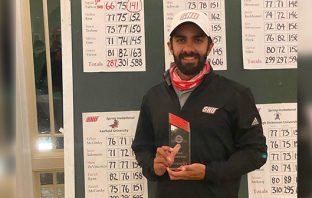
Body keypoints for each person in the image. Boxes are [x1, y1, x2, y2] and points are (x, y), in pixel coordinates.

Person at [131, 10, 267, 198]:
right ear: (170, 46)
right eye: (180, 40)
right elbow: (141, 148)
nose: (188, 48)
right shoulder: (153, 97)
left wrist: (209, 172)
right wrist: (153, 166)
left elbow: (257, 153)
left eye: (197, 40)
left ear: (210, 46)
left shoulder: (235, 94)